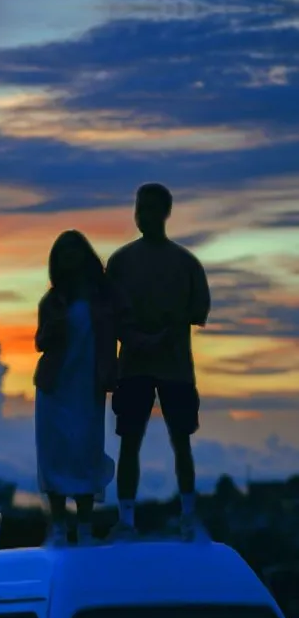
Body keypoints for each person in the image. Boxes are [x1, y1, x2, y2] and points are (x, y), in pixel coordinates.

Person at [106, 183, 211, 539]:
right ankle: (126, 519)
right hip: (134, 366)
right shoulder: (120, 262)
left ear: (165, 212)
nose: (144, 215)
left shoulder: (185, 263)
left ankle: (188, 514)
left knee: (181, 439)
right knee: (129, 440)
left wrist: (163, 330)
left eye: (151, 208)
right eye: (140, 207)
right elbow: (111, 316)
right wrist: (141, 338)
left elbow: (199, 310)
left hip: (176, 366)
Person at [34, 230, 117, 546]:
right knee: (54, 455)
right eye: (63, 253)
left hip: (88, 387)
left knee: (86, 453)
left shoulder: (101, 299)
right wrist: (56, 323)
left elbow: (117, 328)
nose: (70, 258)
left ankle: (83, 527)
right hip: (55, 389)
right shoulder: (53, 300)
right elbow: (40, 341)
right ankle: (58, 527)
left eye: (74, 251)